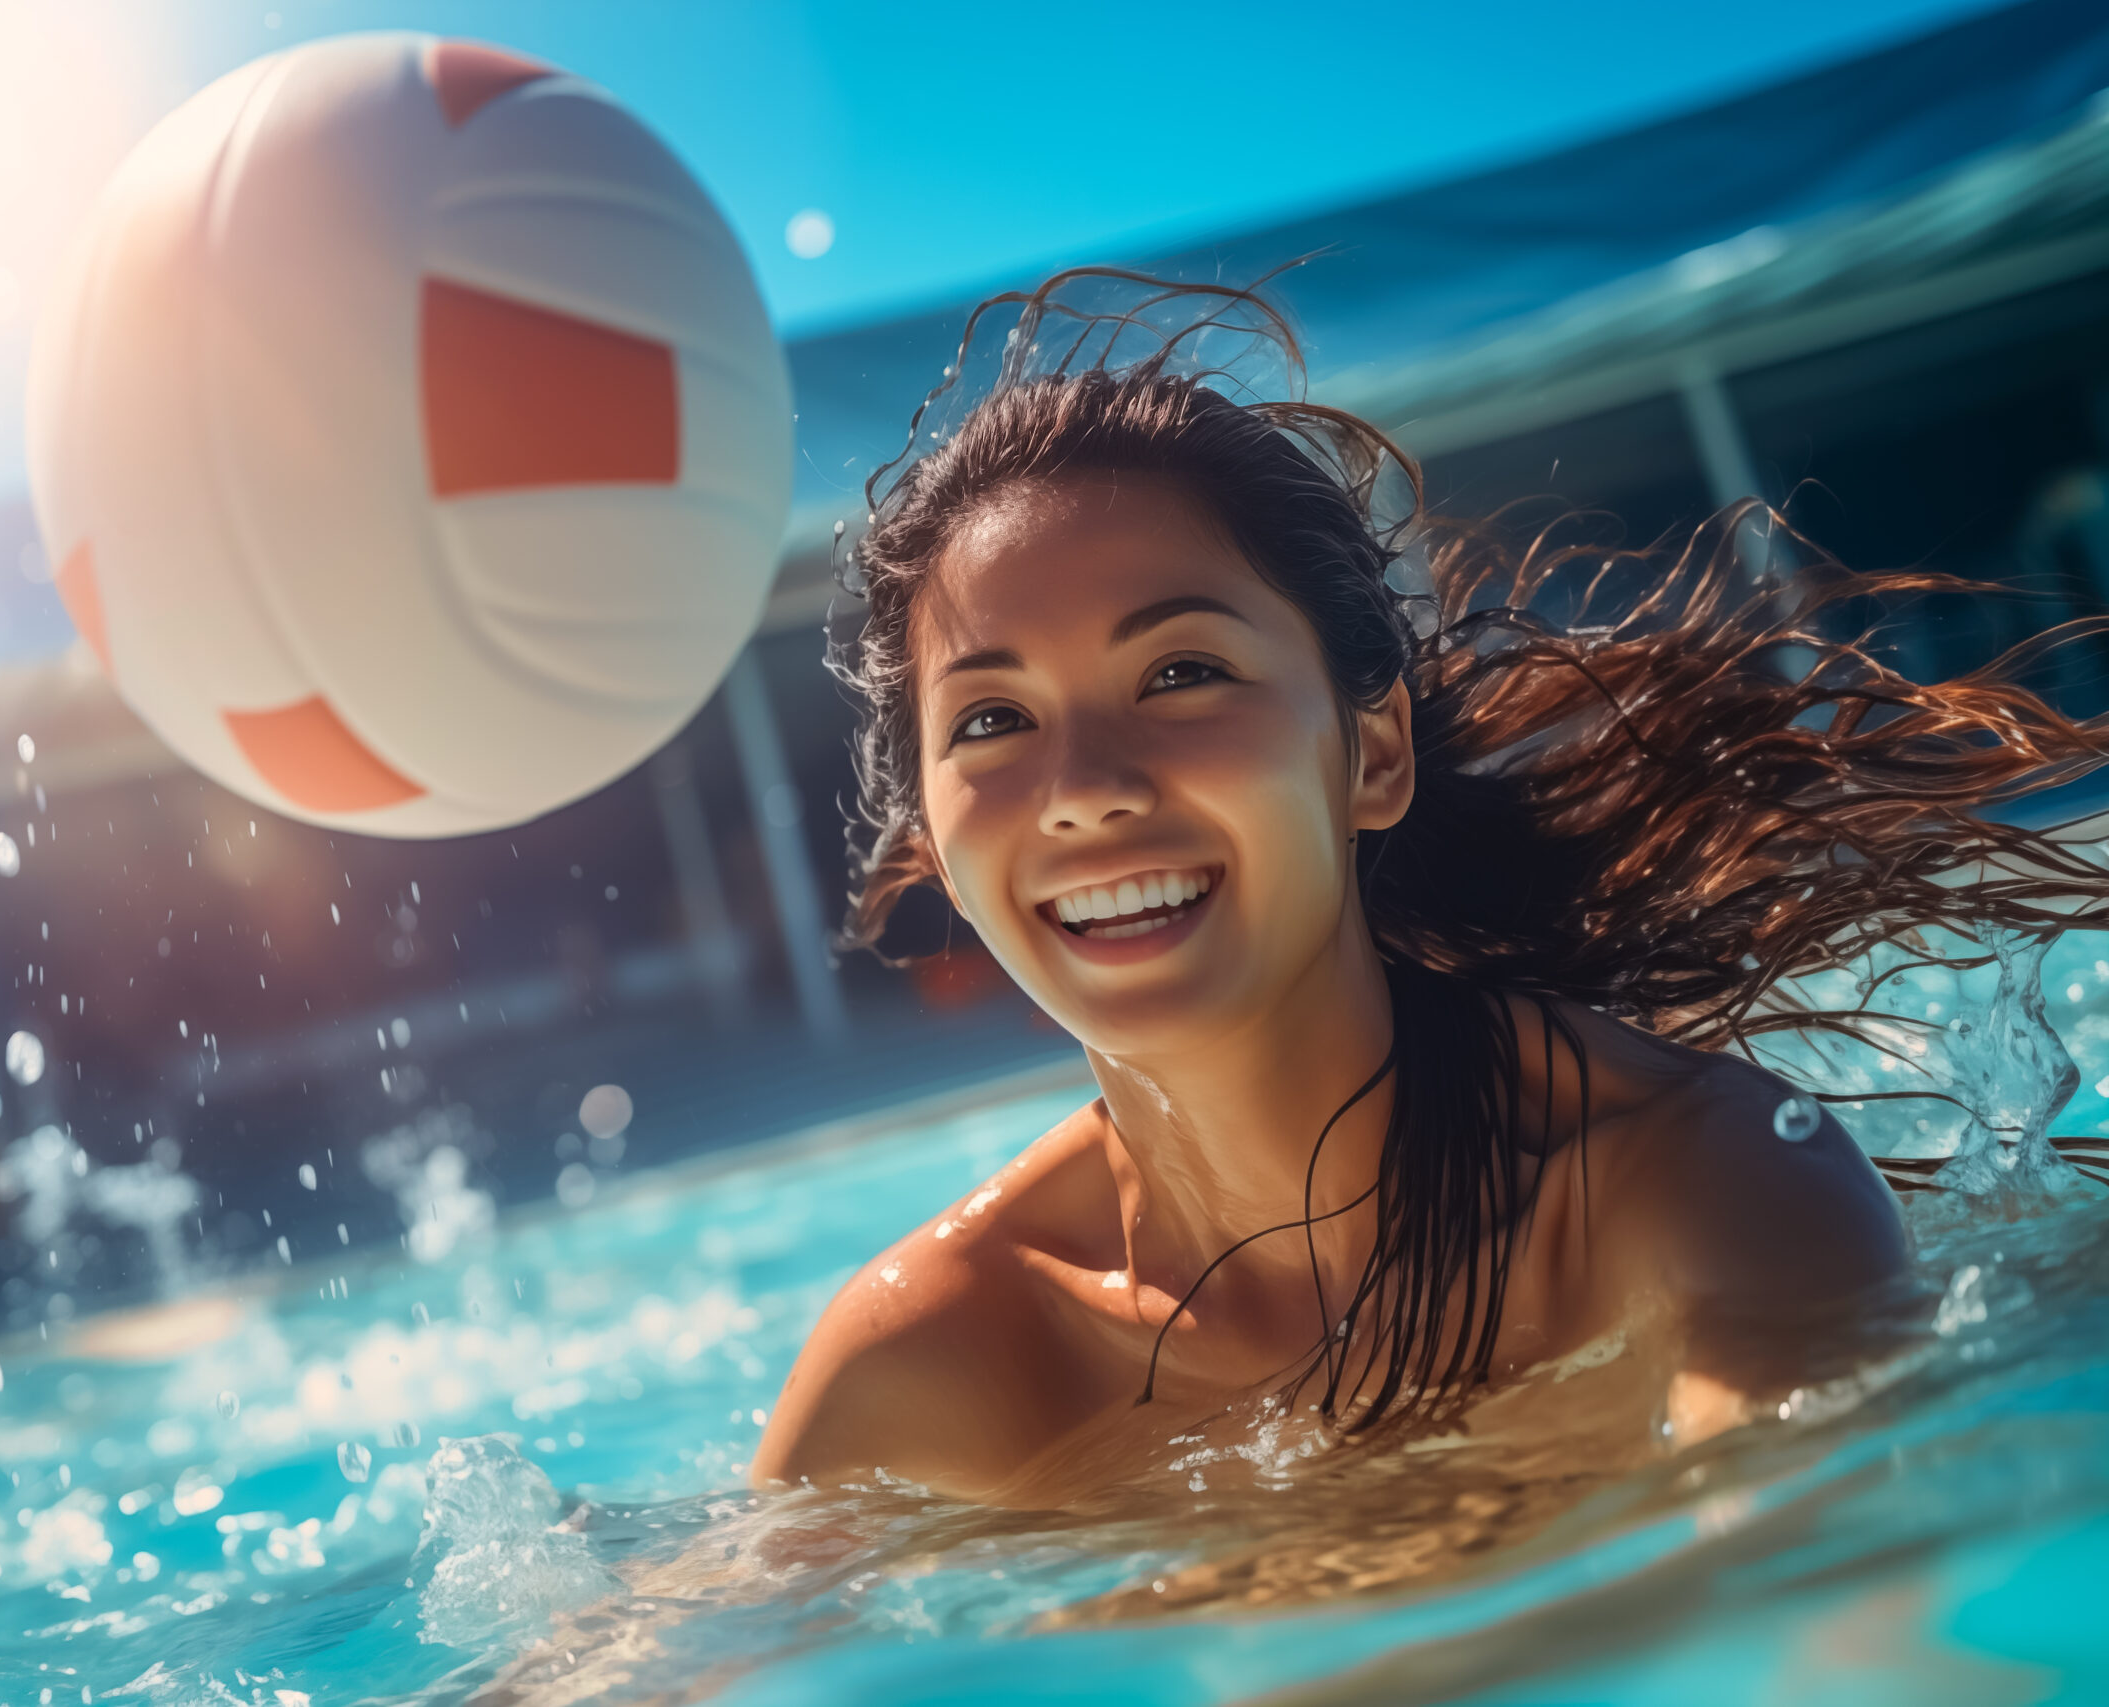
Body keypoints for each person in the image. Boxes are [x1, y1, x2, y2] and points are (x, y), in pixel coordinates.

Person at [749, 269, 2109, 1507]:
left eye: (1181, 673)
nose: (1082, 786)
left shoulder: (1692, 1194)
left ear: (1374, 754)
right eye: (991, 721)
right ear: (933, 838)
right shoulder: (929, 1363)